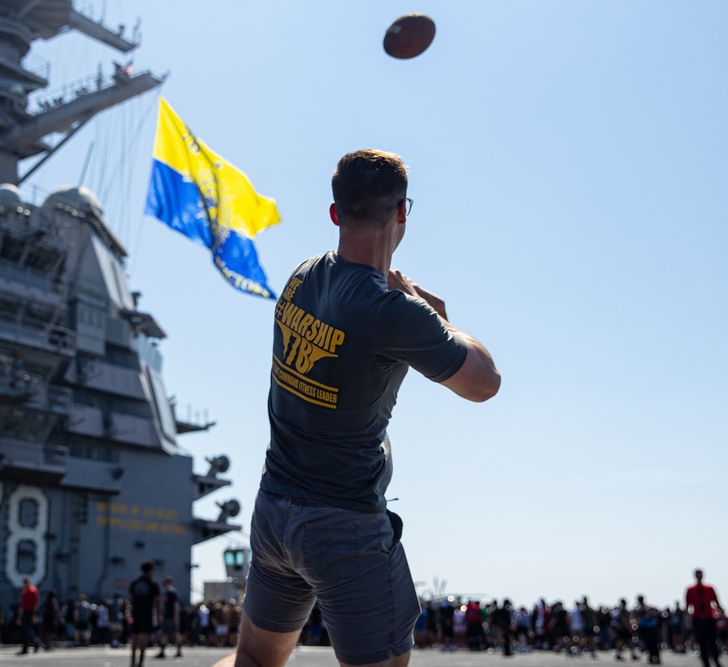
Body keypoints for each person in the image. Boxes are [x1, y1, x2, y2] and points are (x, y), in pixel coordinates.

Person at [218, 149, 501, 667]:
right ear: (401, 214)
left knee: (255, 661)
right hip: (343, 523)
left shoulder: (301, 277)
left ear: (334, 213)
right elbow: (485, 383)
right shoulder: (394, 312)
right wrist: (441, 320)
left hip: (274, 511)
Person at [686, 568, 724, 667]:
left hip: (708, 618)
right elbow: (687, 605)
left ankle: (715, 659)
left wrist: (721, 613)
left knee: (712, 641)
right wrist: (686, 618)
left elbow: (715, 602)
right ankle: (705, 662)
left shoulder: (709, 588)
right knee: (701, 642)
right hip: (698, 618)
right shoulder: (691, 589)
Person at [129, 560, 162, 667]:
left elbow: (131, 600)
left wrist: (129, 613)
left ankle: (133, 661)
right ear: (151, 570)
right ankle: (141, 663)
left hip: (136, 613)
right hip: (147, 614)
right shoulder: (153, 584)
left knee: (135, 638)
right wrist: (158, 615)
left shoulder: (135, 583)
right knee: (144, 639)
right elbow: (157, 602)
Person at [156, 576, 183, 658]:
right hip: (166, 616)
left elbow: (176, 604)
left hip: (171, 616)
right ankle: (162, 651)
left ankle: (179, 650)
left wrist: (176, 615)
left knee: (175, 633)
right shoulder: (165, 593)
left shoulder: (173, 592)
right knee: (164, 633)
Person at [18, 577, 42, 654]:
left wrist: (34, 615)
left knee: (27, 630)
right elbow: (22, 605)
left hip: (30, 612)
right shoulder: (24, 592)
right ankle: (28, 646)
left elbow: (35, 604)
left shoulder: (33, 591)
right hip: (25, 612)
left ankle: (35, 642)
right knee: (25, 630)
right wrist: (19, 616)